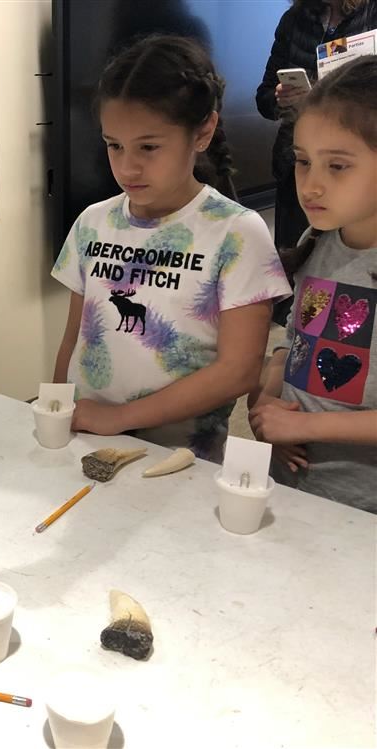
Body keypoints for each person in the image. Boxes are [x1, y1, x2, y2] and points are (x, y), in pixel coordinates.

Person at [51, 35, 292, 462]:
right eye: (114, 145)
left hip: (180, 459)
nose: (127, 166)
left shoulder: (238, 232)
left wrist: (122, 417)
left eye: (148, 147)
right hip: (87, 440)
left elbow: (238, 371)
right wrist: (57, 412)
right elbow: (74, 339)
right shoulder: (92, 222)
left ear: (203, 132)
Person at [248, 57, 377, 512]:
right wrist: (267, 404)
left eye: (337, 167)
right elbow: (298, 343)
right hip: (294, 492)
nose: (311, 186)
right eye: (303, 162)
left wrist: (304, 429)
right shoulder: (316, 240)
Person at [256, 0, 376, 322]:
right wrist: (281, 98)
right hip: (300, 146)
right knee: (298, 270)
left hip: (356, 148)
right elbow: (264, 98)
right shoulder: (296, 18)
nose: (313, 185)